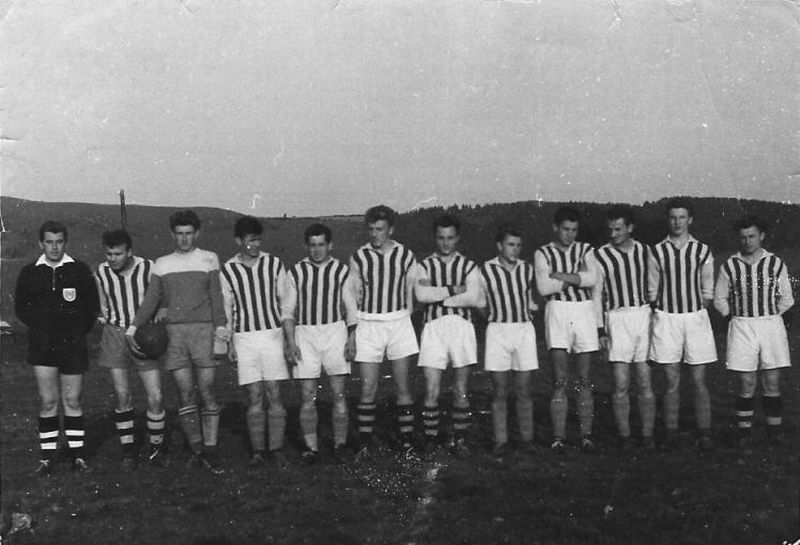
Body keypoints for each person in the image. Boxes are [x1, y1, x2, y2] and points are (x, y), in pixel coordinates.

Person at [126, 210, 228, 471]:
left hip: (204, 331)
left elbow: (217, 297)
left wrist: (221, 330)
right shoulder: (162, 264)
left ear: (197, 233)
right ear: (172, 235)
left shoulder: (209, 258)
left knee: (207, 390)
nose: (184, 239)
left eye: (189, 233)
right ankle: (196, 449)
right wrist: (133, 328)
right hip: (175, 335)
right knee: (185, 393)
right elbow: (151, 299)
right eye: (179, 234)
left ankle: (211, 449)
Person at [14, 220, 99, 475]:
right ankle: (47, 459)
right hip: (42, 346)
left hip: (72, 345)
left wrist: (74, 331)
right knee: (48, 400)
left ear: (66, 243)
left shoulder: (79, 270)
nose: (54, 247)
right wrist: (43, 328)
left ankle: (78, 457)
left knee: (72, 400)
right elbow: (21, 308)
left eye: (59, 242)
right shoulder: (29, 272)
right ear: (41, 243)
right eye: (49, 242)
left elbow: (91, 308)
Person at [713, 215, 794, 448]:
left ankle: (774, 434)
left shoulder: (775, 263)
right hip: (742, 325)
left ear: (761, 236)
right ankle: (744, 434)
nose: (747, 241)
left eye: (752, 236)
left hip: (770, 325)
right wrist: (734, 316)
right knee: (746, 382)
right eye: (743, 237)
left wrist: (769, 314)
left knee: (771, 381)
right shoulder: (730, 265)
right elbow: (720, 298)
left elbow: (787, 298)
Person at [282, 223, 357, 463]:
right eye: (312, 245)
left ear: (330, 245)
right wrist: (290, 341)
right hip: (305, 333)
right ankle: (311, 448)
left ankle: (340, 444)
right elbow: (288, 311)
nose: (317, 250)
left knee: (339, 393)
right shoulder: (295, 272)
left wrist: (352, 338)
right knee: (307, 395)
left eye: (321, 245)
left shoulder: (342, 271)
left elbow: (351, 309)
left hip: (335, 331)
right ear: (306, 246)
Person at [348, 205, 419, 455]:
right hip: (368, 324)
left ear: (391, 230)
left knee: (402, 387)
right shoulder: (359, 257)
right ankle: (365, 446)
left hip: (398, 323)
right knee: (368, 389)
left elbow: (412, 289)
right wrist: (353, 330)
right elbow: (352, 296)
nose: (374, 234)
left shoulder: (405, 255)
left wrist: (407, 314)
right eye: (371, 229)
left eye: (380, 229)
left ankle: (407, 442)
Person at [221, 216, 290, 467]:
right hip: (244, 338)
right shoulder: (228, 269)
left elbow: (285, 302)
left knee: (274, 392)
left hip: (271, 335)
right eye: (250, 240)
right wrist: (229, 342)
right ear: (239, 241)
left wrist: (288, 337)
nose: (255, 245)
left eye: (258, 240)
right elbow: (227, 308)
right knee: (254, 395)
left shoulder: (274, 263)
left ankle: (277, 448)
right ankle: (258, 451)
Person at [648, 197, 717, 451]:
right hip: (667, 318)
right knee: (671, 380)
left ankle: (704, 433)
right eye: (673, 217)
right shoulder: (657, 251)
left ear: (690, 219)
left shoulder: (702, 250)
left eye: (682, 217)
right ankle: (671, 433)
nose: (677, 222)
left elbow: (707, 290)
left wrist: (693, 308)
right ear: (668, 220)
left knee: (698, 380)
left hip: (695, 318)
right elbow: (652, 290)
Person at [95, 229, 166, 470]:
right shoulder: (101, 272)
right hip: (115, 334)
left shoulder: (148, 267)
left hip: (143, 335)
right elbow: (103, 305)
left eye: (118, 254)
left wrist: (156, 318)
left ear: (129, 252)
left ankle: (156, 448)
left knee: (155, 395)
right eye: (109, 254)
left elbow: (161, 299)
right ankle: (128, 452)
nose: (112, 259)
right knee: (122, 395)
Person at [415, 214, 483, 459]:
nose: (446, 243)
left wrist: (440, 296)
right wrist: (455, 290)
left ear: (458, 238)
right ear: (435, 238)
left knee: (461, 388)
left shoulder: (469, 266)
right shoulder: (424, 266)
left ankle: (460, 440)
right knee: (431, 390)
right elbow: (422, 295)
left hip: (462, 327)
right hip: (433, 328)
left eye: (450, 238)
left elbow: (473, 297)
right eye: (441, 238)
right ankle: (431, 441)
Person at [535, 206, 599, 452]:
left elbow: (592, 279)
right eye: (565, 229)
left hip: (584, 311)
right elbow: (543, 287)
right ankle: (558, 437)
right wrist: (577, 277)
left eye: (574, 230)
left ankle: (586, 435)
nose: (570, 234)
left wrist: (559, 275)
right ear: (555, 228)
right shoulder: (543, 252)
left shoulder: (586, 249)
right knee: (560, 378)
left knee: (584, 378)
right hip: (557, 312)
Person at [592, 206, 656, 450]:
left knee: (645, 382)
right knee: (620, 383)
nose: (613, 234)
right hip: (617, 319)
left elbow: (654, 285)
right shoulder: (600, 256)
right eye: (610, 229)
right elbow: (596, 296)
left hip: (643, 316)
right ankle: (625, 436)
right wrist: (601, 330)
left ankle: (647, 435)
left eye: (618, 229)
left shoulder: (644, 251)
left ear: (630, 227)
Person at [480, 224, 538, 463]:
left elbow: (533, 300)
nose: (515, 249)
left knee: (524, 389)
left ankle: (527, 439)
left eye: (518, 245)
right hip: (498, 331)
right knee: (500, 390)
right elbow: (480, 303)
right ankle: (501, 441)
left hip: (523, 330)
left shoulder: (527, 269)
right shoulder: (486, 270)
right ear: (499, 246)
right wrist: (494, 318)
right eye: (510, 245)